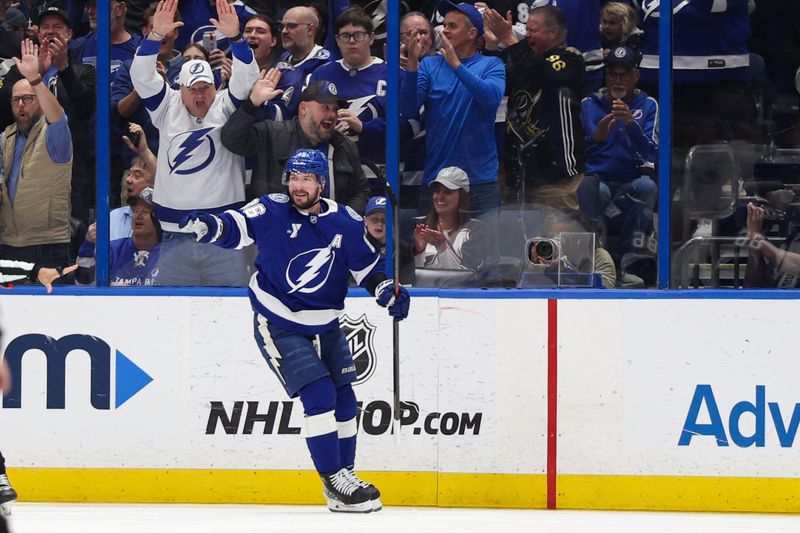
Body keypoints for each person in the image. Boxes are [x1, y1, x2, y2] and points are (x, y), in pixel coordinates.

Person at [179, 148, 410, 513]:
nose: (298, 186)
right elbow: (237, 226)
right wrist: (211, 226)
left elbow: (368, 270)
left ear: (322, 183)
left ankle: (344, 480)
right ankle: (334, 479)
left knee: (345, 400)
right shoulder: (271, 209)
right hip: (279, 320)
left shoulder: (347, 221)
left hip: (326, 324)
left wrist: (385, 292)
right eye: (294, 178)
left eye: (306, 179)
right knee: (319, 396)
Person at [130, 0, 259, 286]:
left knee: (231, 310)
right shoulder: (167, 106)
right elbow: (141, 76)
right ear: (180, 89)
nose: (200, 97)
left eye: (206, 88)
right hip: (175, 233)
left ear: (216, 86)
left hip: (226, 233)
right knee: (174, 313)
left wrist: (236, 39)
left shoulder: (226, 105)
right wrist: (154, 37)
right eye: (193, 90)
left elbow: (248, 78)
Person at [400, 0, 504, 217]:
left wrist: (456, 64)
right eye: (444, 25)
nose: (445, 31)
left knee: (485, 250)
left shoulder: (492, 65)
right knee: (428, 249)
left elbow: (491, 98)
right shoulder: (429, 65)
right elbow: (408, 108)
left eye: (452, 26)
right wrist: (412, 63)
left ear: (472, 33)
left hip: (479, 180)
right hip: (437, 178)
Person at [485, 5, 585, 211]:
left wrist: (510, 39)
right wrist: (492, 47)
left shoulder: (570, 57)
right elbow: (495, 83)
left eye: (532, 30)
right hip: (518, 171)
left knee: (554, 239)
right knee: (514, 238)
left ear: (553, 33)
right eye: (526, 29)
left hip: (556, 175)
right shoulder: (522, 57)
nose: (526, 35)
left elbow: (542, 74)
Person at [221, 78, 371, 212]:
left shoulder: (344, 146)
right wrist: (252, 104)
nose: (332, 115)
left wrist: (342, 219)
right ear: (303, 109)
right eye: (325, 107)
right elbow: (232, 140)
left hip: (329, 237)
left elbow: (361, 191)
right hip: (280, 234)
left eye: (335, 109)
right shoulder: (273, 135)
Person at [577, 45, 658, 268]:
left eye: (624, 74)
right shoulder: (588, 104)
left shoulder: (648, 105)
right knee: (594, 189)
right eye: (613, 74)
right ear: (606, 76)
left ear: (636, 76)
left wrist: (631, 125)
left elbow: (653, 152)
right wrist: (597, 138)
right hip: (598, 181)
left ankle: (630, 261)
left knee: (647, 186)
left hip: (629, 183)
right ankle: (598, 260)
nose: (618, 80)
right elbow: (574, 154)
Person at [0, 39, 73, 269]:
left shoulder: (55, 135)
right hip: (8, 242)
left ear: (40, 101)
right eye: (16, 100)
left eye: (28, 99)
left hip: (48, 245)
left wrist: (35, 79)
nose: (21, 105)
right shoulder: (5, 138)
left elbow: (58, 117)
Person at [309, 6, 386, 169]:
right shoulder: (322, 74)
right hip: (333, 170)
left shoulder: (391, 74)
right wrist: (326, 130)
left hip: (377, 170)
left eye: (358, 35)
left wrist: (364, 128)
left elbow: (404, 125)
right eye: (345, 36)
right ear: (337, 40)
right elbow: (308, 121)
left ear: (371, 38)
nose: (351, 41)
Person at [77, 187, 161, 286]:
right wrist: (88, 245)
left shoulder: (168, 253)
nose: (138, 215)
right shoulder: (113, 249)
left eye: (146, 211)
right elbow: (83, 284)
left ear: (159, 219)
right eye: (136, 210)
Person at [412, 166, 486, 271]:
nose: (439, 197)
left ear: (462, 197)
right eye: (437, 191)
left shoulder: (475, 230)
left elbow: (467, 279)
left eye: (447, 192)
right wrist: (419, 251)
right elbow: (406, 277)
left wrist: (442, 246)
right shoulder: (418, 225)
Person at [271, 6, 332, 120]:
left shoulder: (325, 64)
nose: (284, 31)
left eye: (292, 26)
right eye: (282, 26)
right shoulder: (282, 59)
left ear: (310, 30)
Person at [111, 123, 157, 240]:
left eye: (137, 176)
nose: (128, 180)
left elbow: (167, 186)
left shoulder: (164, 219)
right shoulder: (113, 218)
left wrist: (144, 151)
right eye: (129, 174)